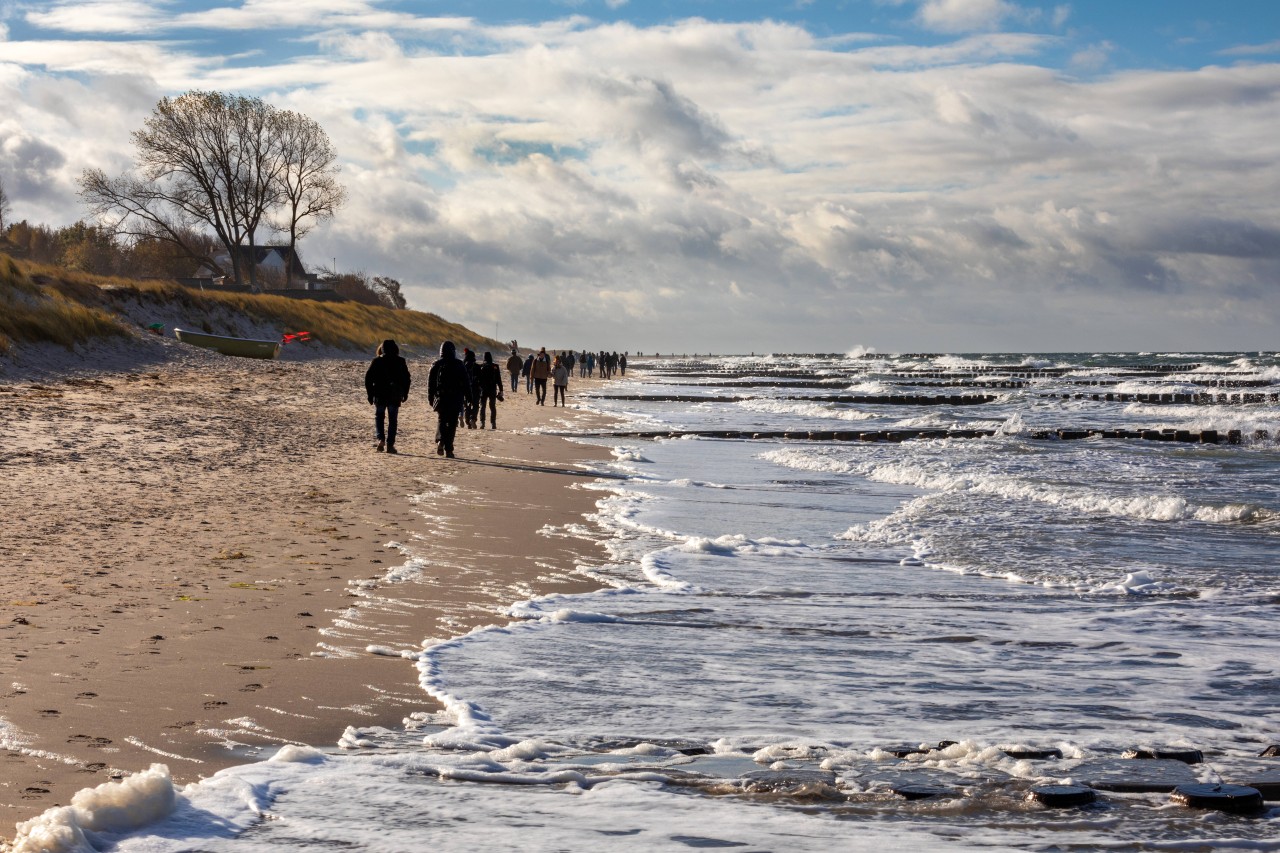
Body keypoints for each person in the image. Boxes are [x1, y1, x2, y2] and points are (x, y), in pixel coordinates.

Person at [427, 340, 476, 458]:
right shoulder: (459, 364)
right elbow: (466, 383)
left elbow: (431, 384)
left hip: (441, 398)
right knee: (453, 423)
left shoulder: (436, 364)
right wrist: (470, 398)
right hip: (456, 398)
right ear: (453, 351)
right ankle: (449, 449)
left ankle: (440, 441)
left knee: (442, 420)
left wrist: (430, 397)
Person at [364, 339, 411, 454]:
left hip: (380, 394)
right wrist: (405, 393)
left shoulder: (376, 361)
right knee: (393, 420)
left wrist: (370, 394)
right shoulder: (401, 361)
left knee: (379, 417)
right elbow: (407, 379)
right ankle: (390, 445)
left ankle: (381, 439)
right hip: (394, 395)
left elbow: (368, 378)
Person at [476, 351, 505, 428]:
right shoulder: (495, 366)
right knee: (492, 406)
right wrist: (501, 390)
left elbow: (478, 380)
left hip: (483, 390)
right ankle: (493, 423)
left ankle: (482, 423)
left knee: (482, 406)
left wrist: (477, 388)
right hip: (492, 390)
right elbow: (499, 379)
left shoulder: (481, 366)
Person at [462, 347, 480, 429]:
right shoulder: (477, 366)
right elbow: (481, 378)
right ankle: (473, 418)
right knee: (475, 405)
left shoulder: (464, 366)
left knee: (467, 405)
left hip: (466, 388)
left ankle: (467, 422)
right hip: (476, 388)